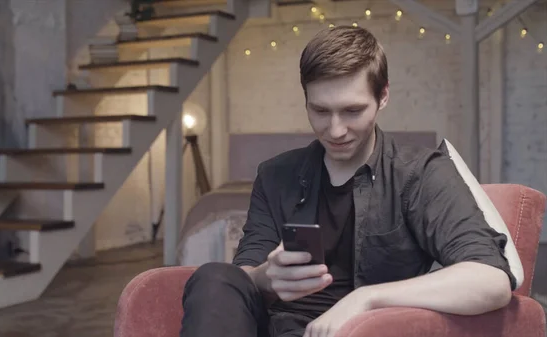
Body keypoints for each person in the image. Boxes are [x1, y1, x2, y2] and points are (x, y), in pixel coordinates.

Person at [179, 26, 514, 337]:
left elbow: (491, 279)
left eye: (352, 111)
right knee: (213, 276)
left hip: (371, 330)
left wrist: (365, 299)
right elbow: (242, 277)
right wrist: (266, 276)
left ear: (383, 97)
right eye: (320, 111)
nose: (335, 131)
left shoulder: (420, 173)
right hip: (279, 328)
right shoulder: (274, 175)